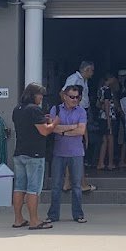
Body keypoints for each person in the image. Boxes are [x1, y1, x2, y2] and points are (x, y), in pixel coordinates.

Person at [10, 83, 57, 230]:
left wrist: (43, 118)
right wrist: (54, 123)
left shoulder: (17, 109)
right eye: (39, 95)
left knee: (19, 187)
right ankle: (34, 220)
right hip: (34, 154)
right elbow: (44, 131)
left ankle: (18, 219)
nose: (41, 98)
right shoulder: (34, 109)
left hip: (19, 153)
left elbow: (28, 124)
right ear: (33, 95)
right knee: (33, 188)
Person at [48, 85, 88, 223]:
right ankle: (53, 215)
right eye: (72, 97)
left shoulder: (82, 111)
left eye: (77, 97)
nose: (75, 100)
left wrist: (62, 131)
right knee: (56, 186)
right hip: (59, 153)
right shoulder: (56, 109)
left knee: (77, 186)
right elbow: (52, 128)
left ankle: (78, 214)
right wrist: (72, 127)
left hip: (76, 153)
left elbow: (81, 131)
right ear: (65, 96)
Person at [63, 62, 97, 193]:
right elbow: (63, 92)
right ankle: (82, 184)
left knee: (71, 152)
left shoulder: (83, 81)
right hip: (77, 116)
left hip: (79, 114)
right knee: (79, 151)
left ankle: (67, 183)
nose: (92, 73)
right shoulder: (74, 79)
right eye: (91, 70)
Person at [95, 74, 119, 171]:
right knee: (110, 141)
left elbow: (98, 104)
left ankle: (101, 162)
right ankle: (110, 163)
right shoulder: (108, 90)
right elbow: (107, 105)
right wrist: (109, 123)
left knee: (104, 141)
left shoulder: (100, 89)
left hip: (102, 117)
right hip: (109, 118)